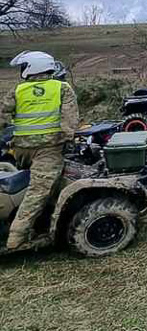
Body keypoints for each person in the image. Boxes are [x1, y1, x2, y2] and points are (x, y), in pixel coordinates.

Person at [2, 51, 79, 249]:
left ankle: (45, 220)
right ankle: (16, 237)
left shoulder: (17, 90)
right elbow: (70, 120)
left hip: (21, 150)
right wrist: (66, 139)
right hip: (49, 150)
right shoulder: (62, 88)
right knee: (38, 191)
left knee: (43, 183)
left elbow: (2, 115)